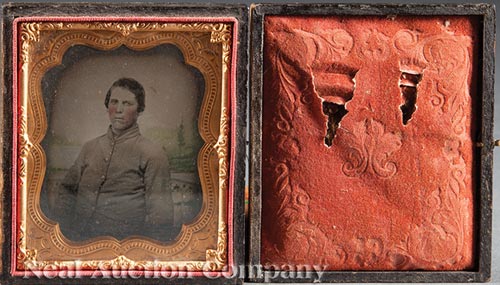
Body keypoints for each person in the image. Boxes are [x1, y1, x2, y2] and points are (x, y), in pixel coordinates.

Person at [58, 77, 175, 241]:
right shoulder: (90, 147)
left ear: (139, 110)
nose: (119, 109)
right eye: (114, 102)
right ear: (107, 106)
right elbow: (66, 190)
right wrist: (65, 231)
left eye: (127, 104)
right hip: (78, 242)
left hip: (124, 249)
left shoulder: (152, 153)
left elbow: (161, 217)